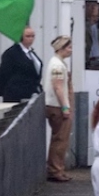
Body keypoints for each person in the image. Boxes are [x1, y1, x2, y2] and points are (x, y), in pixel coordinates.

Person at [42, 35, 74, 182]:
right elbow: (58, 87)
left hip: (55, 105)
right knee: (60, 139)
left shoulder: (57, 63)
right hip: (57, 106)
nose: (70, 50)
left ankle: (57, 168)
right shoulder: (58, 66)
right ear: (60, 48)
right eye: (68, 47)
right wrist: (65, 107)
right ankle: (55, 170)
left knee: (59, 138)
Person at [0, 24, 43, 103]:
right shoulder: (11, 53)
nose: (31, 39)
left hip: (32, 93)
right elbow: (1, 75)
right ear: (21, 37)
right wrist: (9, 91)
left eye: (33, 36)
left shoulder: (31, 53)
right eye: (28, 36)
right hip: (16, 96)